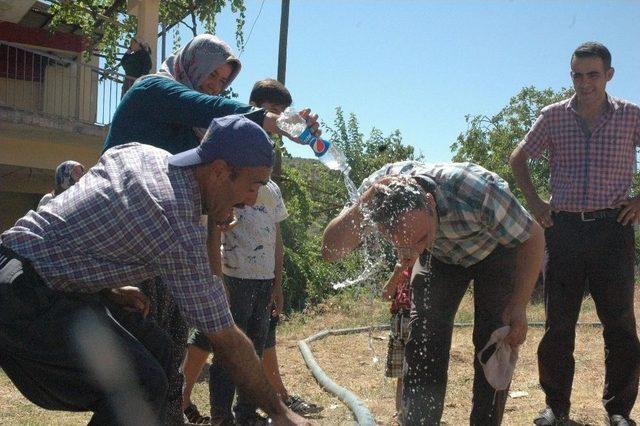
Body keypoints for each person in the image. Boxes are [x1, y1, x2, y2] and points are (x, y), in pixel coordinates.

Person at [0, 115, 311, 426]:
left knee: (160, 351)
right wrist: (281, 413)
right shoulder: (174, 221)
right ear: (218, 172)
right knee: (142, 383)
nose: (253, 199)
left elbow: (85, 216)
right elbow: (226, 340)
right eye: (253, 185)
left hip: (40, 276)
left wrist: (104, 287)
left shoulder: (143, 154)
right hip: (20, 295)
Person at [103, 35, 319, 424]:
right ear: (191, 63)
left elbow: (209, 177)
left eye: (222, 80)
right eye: (211, 74)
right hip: (123, 242)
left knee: (164, 357)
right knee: (140, 368)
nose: (214, 85)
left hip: (162, 249)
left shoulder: (191, 133)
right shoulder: (155, 89)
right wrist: (271, 120)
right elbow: (209, 109)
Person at [322, 161, 545, 425]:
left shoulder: (475, 190)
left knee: (493, 339)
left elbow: (534, 237)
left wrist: (519, 306)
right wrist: (363, 204)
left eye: (419, 238)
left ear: (429, 202)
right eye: (400, 245)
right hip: (439, 257)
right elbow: (330, 251)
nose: (410, 251)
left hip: (495, 252)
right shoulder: (378, 198)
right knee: (424, 340)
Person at [510, 41, 640, 426]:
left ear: (609, 75)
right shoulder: (553, 117)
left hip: (613, 229)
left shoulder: (631, 116)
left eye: (593, 75)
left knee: (620, 324)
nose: (584, 83)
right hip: (563, 230)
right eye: (577, 75)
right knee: (558, 324)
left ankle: (619, 411)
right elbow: (518, 158)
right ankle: (556, 407)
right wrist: (535, 202)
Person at [381, 264, 412, 426]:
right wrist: (396, 272)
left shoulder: (427, 266)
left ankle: (414, 411)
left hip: (417, 323)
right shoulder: (400, 271)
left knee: (416, 372)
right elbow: (385, 295)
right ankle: (400, 413)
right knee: (401, 374)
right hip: (399, 323)